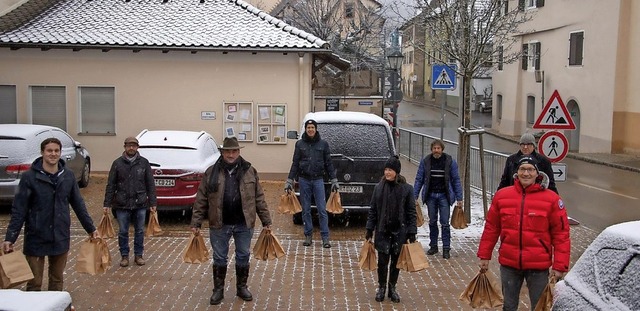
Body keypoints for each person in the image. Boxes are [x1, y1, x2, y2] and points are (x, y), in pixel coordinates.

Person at [3, 137, 98, 291]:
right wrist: (10, 238)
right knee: (34, 282)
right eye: (49, 151)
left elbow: (78, 205)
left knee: (57, 281)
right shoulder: (29, 177)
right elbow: (19, 209)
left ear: (60, 153)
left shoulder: (68, 176)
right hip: (36, 236)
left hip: (60, 235)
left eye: (56, 151)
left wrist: (91, 229)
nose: (53, 154)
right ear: (42, 152)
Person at [477, 156, 570, 311]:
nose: (526, 173)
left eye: (530, 169)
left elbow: (561, 235)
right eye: (522, 169)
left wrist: (560, 265)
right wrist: (484, 256)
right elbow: (491, 228)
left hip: (538, 266)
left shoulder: (552, 199)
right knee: (508, 306)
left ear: (537, 173)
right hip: (509, 264)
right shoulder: (502, 196)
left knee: (540, 307)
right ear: (516, 172)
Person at [190, 137, 272, 305]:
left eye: (234, 151)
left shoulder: (250, 170)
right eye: (228, 151)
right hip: (219, 223)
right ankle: (218, 290)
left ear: (239, 152)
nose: (231, 154)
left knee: (243, 255)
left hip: (243, 223)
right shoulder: (211, 172)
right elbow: (201, 199)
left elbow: (259, 198)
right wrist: (196, 222)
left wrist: (266, 220)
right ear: (222, 152)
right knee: (220, 257)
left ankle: (241, 287)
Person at [365, 156, 416, 303]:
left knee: (395, 262)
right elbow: (373, 210)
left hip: (399, 231)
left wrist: (412, 231)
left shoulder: (407, 189)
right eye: (386, 169)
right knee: (382, 261)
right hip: (382, 230)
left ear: (397, 172)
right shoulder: (378, 188)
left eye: (390, 170)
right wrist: (369, 229)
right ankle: (381, 287)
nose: (387, 172)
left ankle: (392, 287)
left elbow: (411, 211)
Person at [103, 136, 157, 267]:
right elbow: (111, 185)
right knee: (122, 231)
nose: (131, 148)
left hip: (140, 203)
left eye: (133, 145)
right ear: (125, 147)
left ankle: (138, 255)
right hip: (122, 203)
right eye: (129, 145)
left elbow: (150, 184)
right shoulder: (117, 163)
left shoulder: (144, 163)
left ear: (137, 147)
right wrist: (107, 204)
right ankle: (124, 256)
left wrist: (153, 203)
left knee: (139, 231)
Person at [285, 119, 338, 248]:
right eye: (308, 127)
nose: (310, 130)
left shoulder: (323, 145)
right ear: (306, 129)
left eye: (312, 127)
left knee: (322, 209)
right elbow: (295, 163)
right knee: (306, 210)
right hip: (304, 180)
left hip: (318, 180)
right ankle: (308, 235)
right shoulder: (300, 145)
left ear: (316, 129)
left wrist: (334, 180)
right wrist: (289, 180)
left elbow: (328, 164)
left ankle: (325, 237)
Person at [413, 139, 463, 259]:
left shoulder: (449, 161)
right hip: (431, 196)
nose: (436, 150)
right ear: (431, 149)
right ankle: (433, 246)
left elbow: (456, 180)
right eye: (434, 148)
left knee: (445, 223)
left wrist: (459, 198)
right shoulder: (426, 162)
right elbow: (419, 179)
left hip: (444, 196)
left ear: (442, 149)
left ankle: (446, 248)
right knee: (432, 221)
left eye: (438, 148)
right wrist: (414, 196)